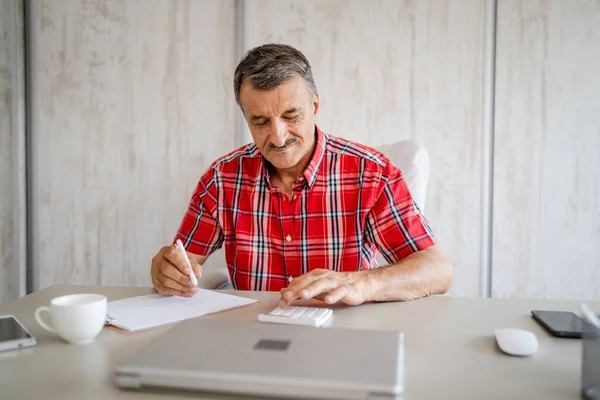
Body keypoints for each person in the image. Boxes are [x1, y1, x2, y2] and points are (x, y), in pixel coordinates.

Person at [151, 43, 453, 308]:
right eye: (260, 121)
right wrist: (169, 271)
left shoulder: (371, 175)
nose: (278, 137)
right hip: (251, 340)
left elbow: (436, 270)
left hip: (343, 337)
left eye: (291, 116)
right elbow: (184, 262)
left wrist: (361, 283)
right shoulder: (222, 179)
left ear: (315, 106)